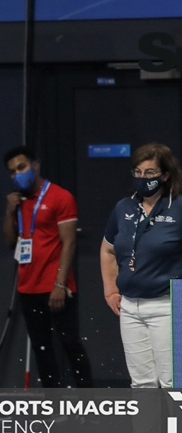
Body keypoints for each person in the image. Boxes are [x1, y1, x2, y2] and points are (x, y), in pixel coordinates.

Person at [2, 146, 92, 388]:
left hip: (56, 286)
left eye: (21, 167)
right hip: (27, 287)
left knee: (71, 343)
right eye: (12, 172)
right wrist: (9, 210)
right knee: (42, 349)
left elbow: (69, 242)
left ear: (35, 165)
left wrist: (60, 284)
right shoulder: (17, 201)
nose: (17, 174)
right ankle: (55, 403)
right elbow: (11, 242)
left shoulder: (60, 197)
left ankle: (91, 402)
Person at [100, 142, 182, 388]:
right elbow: (107, 249)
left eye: (149, 173)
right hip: (130, 307)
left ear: (165, 176)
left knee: (173, 382)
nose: (142, 178)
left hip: (168, 304)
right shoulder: (124, 207)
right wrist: (111, 289)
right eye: (137, 172)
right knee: (141, 384)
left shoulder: (178, 208)